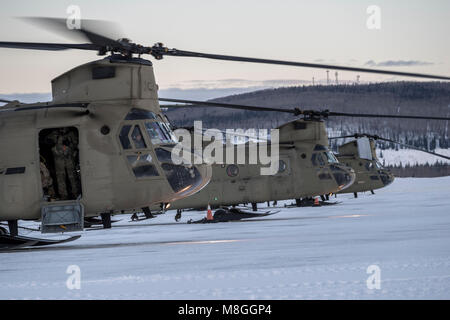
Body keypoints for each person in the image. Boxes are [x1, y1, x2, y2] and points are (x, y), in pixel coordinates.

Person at [51, 129, 80, 200]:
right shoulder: (55, 133)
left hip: (69, 157)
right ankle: (63, 195)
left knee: (72, 176)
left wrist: (70, 143)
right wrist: (56, 141)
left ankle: (76, 193)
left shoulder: (71, 133)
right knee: (60, 178)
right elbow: (47, 141)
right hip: (58, 159)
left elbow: (76, 143)